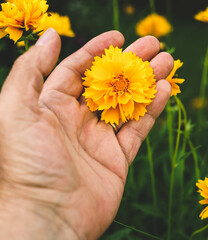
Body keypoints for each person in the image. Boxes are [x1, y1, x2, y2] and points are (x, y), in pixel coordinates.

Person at [0, 28, 174, 239]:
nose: (120, 85)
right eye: (118, 84)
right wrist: (38, 201)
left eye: (122, 84)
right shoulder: (97, 88)